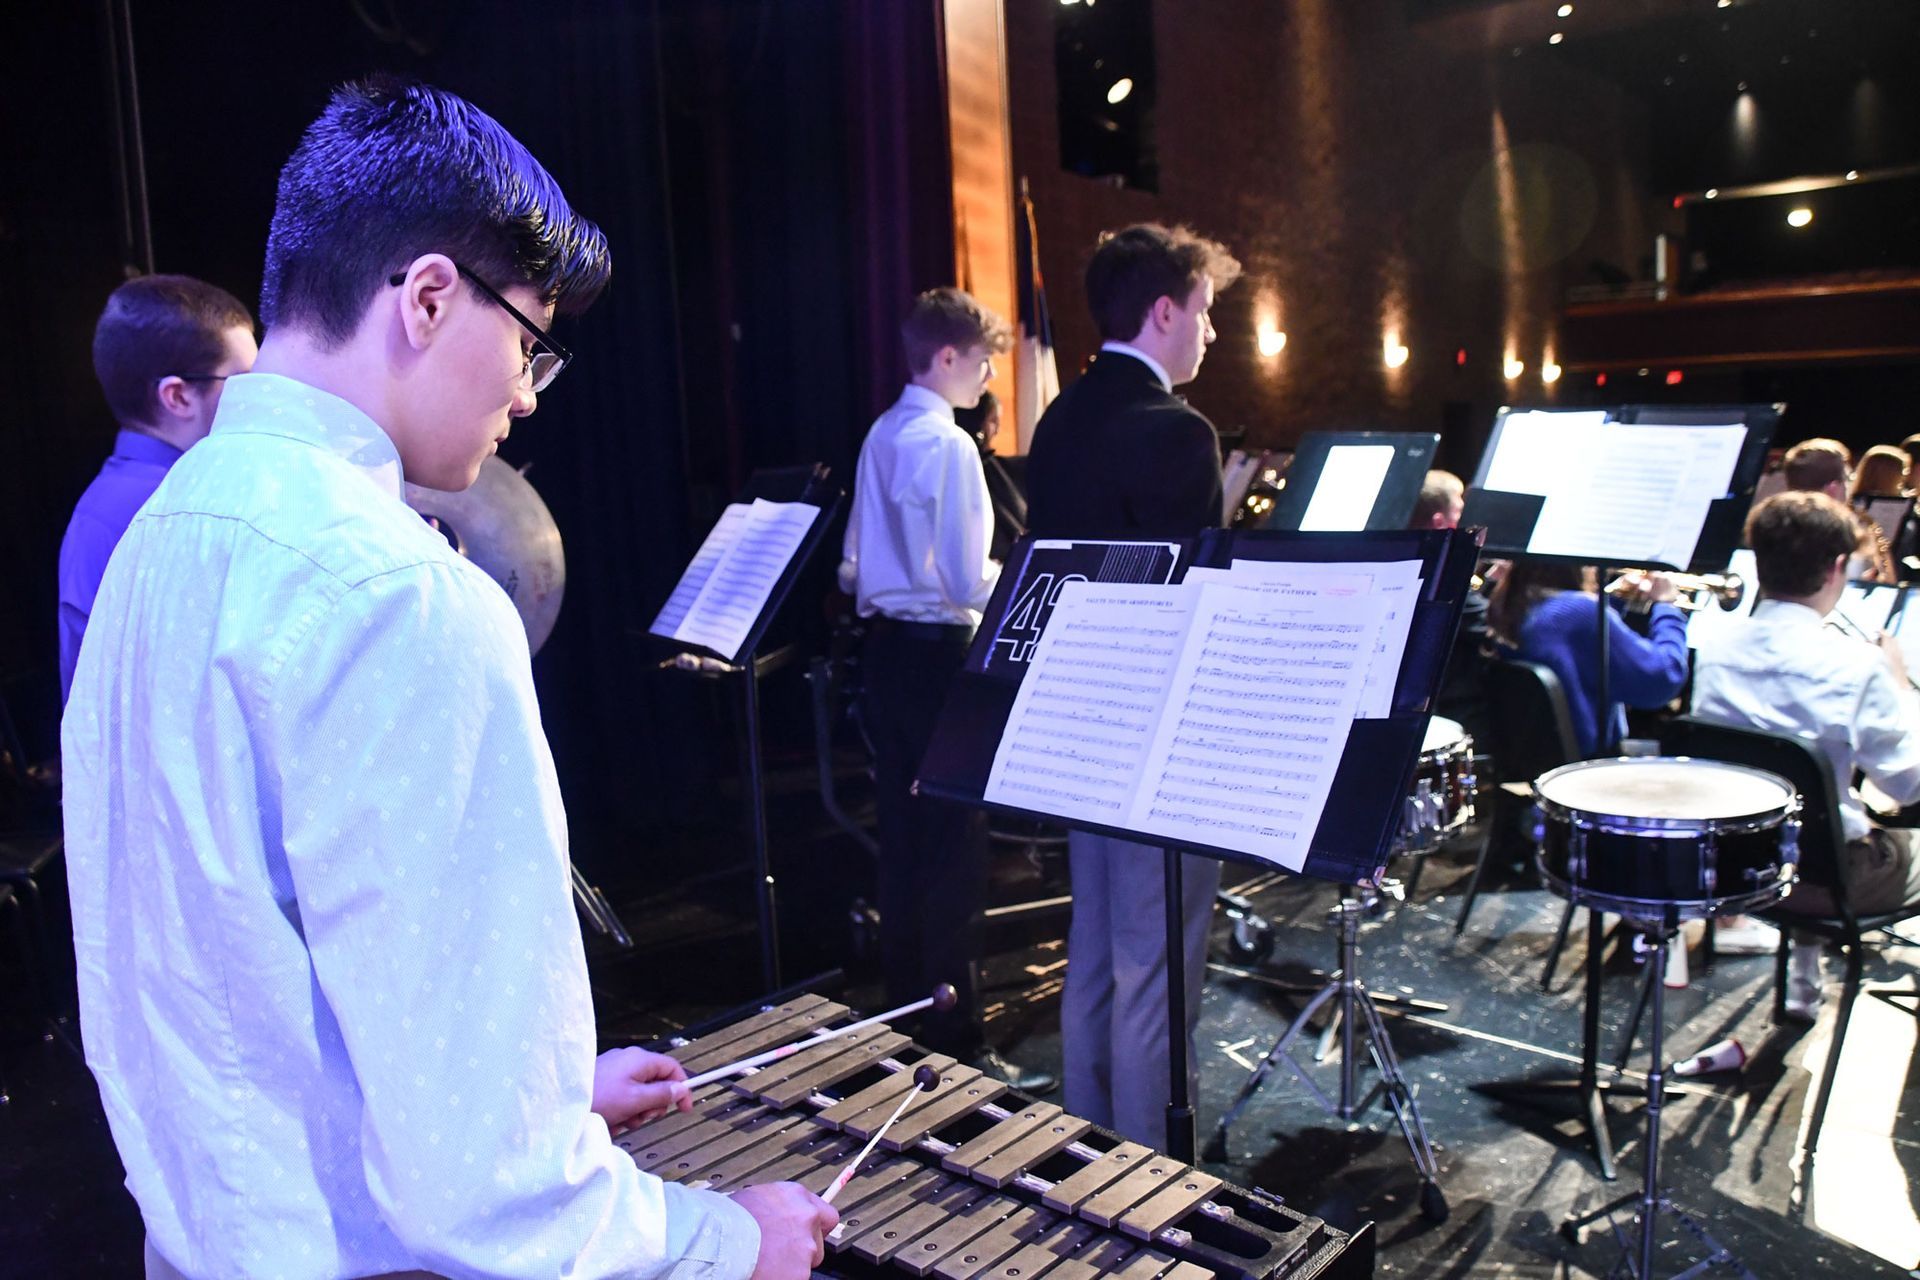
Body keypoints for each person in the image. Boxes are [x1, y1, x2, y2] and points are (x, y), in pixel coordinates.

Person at [63, 77, 834, 1280]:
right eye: (530, 339)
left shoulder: (160, 540)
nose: (528, 392)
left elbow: (238, 967)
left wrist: (540, 1084)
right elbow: (495, 1205)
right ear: (428, 295)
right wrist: (726, 1239)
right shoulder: (402, 596)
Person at [1024, 222, 1242, 1145]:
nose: (1210, 334)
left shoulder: (1060, 416)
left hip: (1074, 718)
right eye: (1203, 313)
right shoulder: (1177, 430)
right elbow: (1188, 597)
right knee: (1156, 965)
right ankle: (1152, 1176)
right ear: (1165, 311)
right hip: (1154, 726)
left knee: (1097, 954)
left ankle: (1088, 1142)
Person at [837, 288, 1050, 1093]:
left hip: (886, 656)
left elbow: (853, 566)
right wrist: (1027, 582)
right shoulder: (952, 446)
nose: (991, 376)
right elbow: (966, 580)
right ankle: (959, 1043)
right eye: (986, 360)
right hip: (936, 659)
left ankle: (903, 1027)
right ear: (951, 357)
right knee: (956, 857)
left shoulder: (882, 432)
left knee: (902, 848)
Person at [1691, 492, 1920, 1018]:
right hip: (1822, 880)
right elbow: (1907, 786)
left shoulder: (1714, 650)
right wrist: (1899, 684)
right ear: (1838, 568)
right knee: (1844, 824)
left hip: (1732, 866)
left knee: (1819, 804)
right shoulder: (1859, 666)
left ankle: (1803, 985)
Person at [57, 274, 257, 701]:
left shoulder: (100, 508)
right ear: (178, 397)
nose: (261, 397)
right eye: (244, 382)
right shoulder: (186, 510)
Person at [1485, 560, 1688, 759]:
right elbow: (1661, 679)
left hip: (1537, 755)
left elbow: (1574, 649)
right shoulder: (1580, 611)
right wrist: (1668, 607)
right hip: (1591, 763)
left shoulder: (1510, 601)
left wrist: (1614, 601)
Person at [1783, 436, 1893, 581]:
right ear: (1833, 489)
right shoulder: (1853, 532)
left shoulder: (1772, 526)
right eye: (1848, 479)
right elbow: (1888, 583)